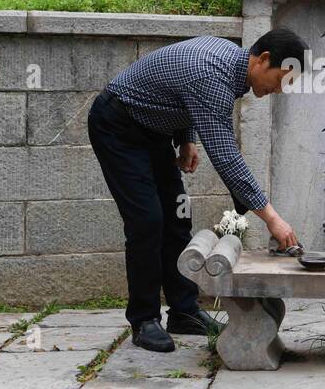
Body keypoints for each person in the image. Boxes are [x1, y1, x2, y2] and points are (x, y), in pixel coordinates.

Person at [88, 28, 307, 352]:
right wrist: (271, 217)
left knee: (177, 217)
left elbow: (178, 89)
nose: (276, 90)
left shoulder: (230, 65)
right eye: (278, 80)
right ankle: (144, 319)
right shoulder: (213, 74)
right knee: (147, 221)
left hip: (155, 131)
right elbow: (226, 158)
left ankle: (184, 311)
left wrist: (187, 138)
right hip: (118, 126)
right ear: (263, 60)